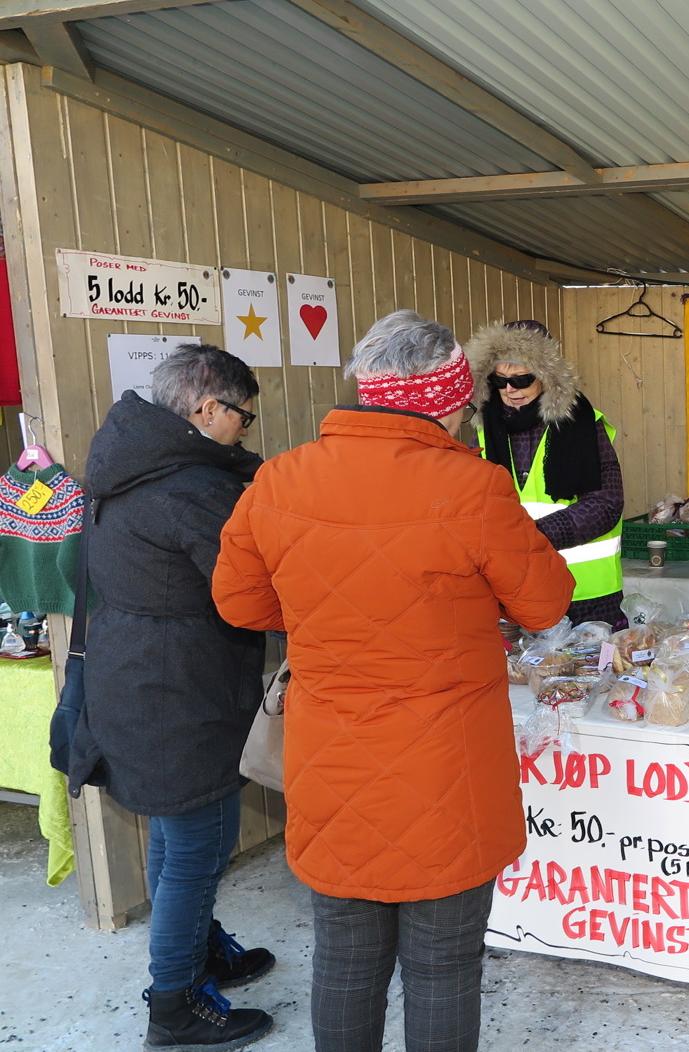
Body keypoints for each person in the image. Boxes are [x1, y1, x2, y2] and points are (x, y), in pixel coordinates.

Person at [211, 311, 574, 1052]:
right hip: (449, 772)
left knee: (345, 959)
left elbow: (239, 602)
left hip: (332, 763)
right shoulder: (473, 486)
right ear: (442, 401)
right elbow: (545, 603)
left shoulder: (280, 477)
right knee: (443, 967)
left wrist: (324, 610)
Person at [68, 344, 276, 1051]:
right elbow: (250, 595)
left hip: (133, 675)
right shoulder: (189, 487)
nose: (246, 433)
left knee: (171, 830)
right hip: (183, 688)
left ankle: (203, 952)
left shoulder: (126, 463)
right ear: (208, 408)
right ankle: (176, 1006)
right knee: (197, 846)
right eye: (243, 419)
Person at [465, 320, 626, 628]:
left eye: (521, 379)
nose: (510, 389)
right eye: (500, 381)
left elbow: (606, 502)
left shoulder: (583, 423)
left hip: (587, 595)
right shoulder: (484, 429)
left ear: (545, 375)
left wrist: (531, 536)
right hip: (513, 589)